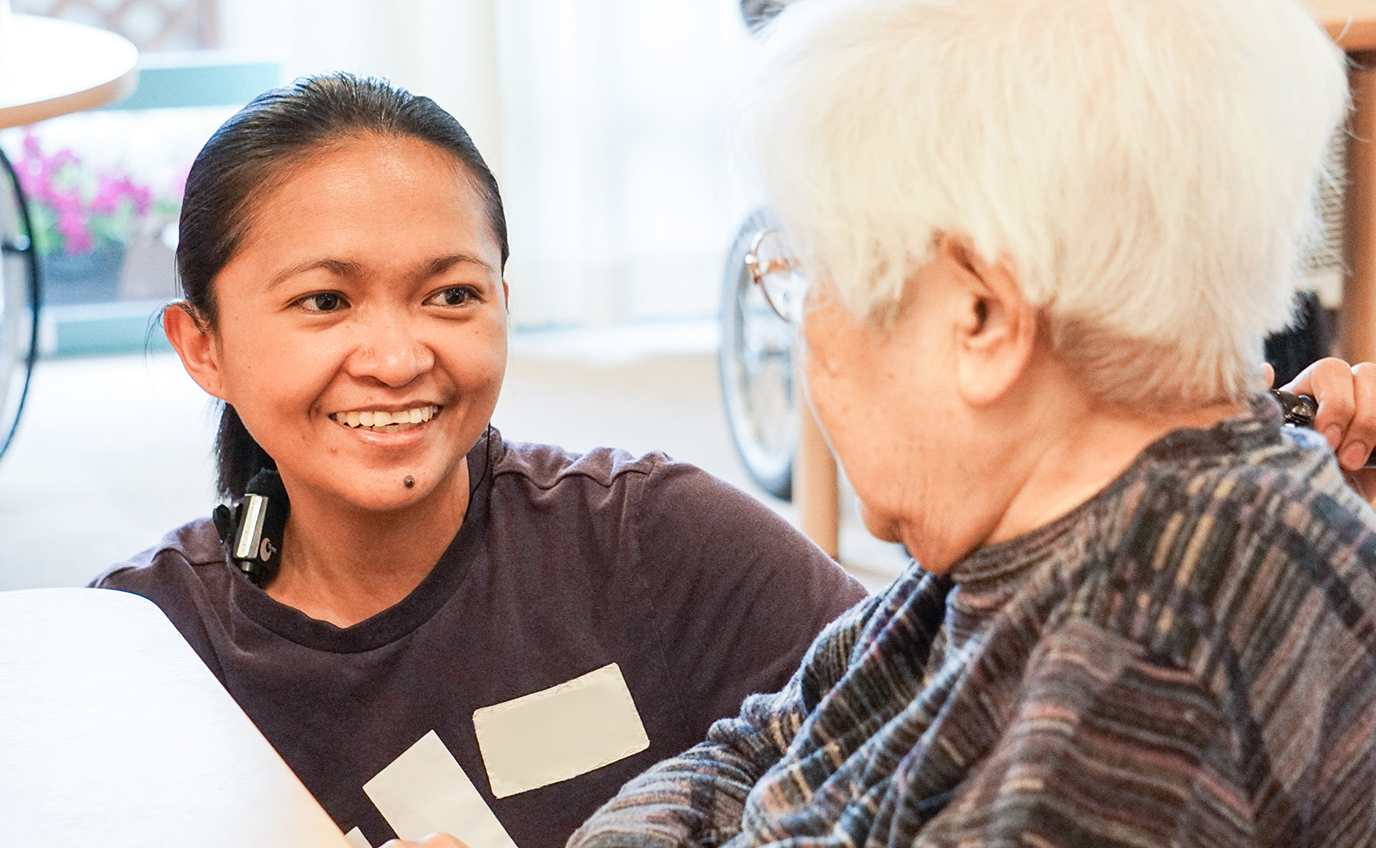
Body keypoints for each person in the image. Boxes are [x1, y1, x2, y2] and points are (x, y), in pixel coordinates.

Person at [563, 0, 1376, 845]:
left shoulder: (1142, 683)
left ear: (983, 316)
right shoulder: (1042, 514)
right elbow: (762, 745)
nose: (807, 330)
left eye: (814, 273)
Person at [90, 73, 869, 848]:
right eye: (326, 301)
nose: (396, 359)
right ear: (203, 345)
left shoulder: (658, 539)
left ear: (504, 301)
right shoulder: (138, 642)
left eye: (452, 295)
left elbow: (938, 748)